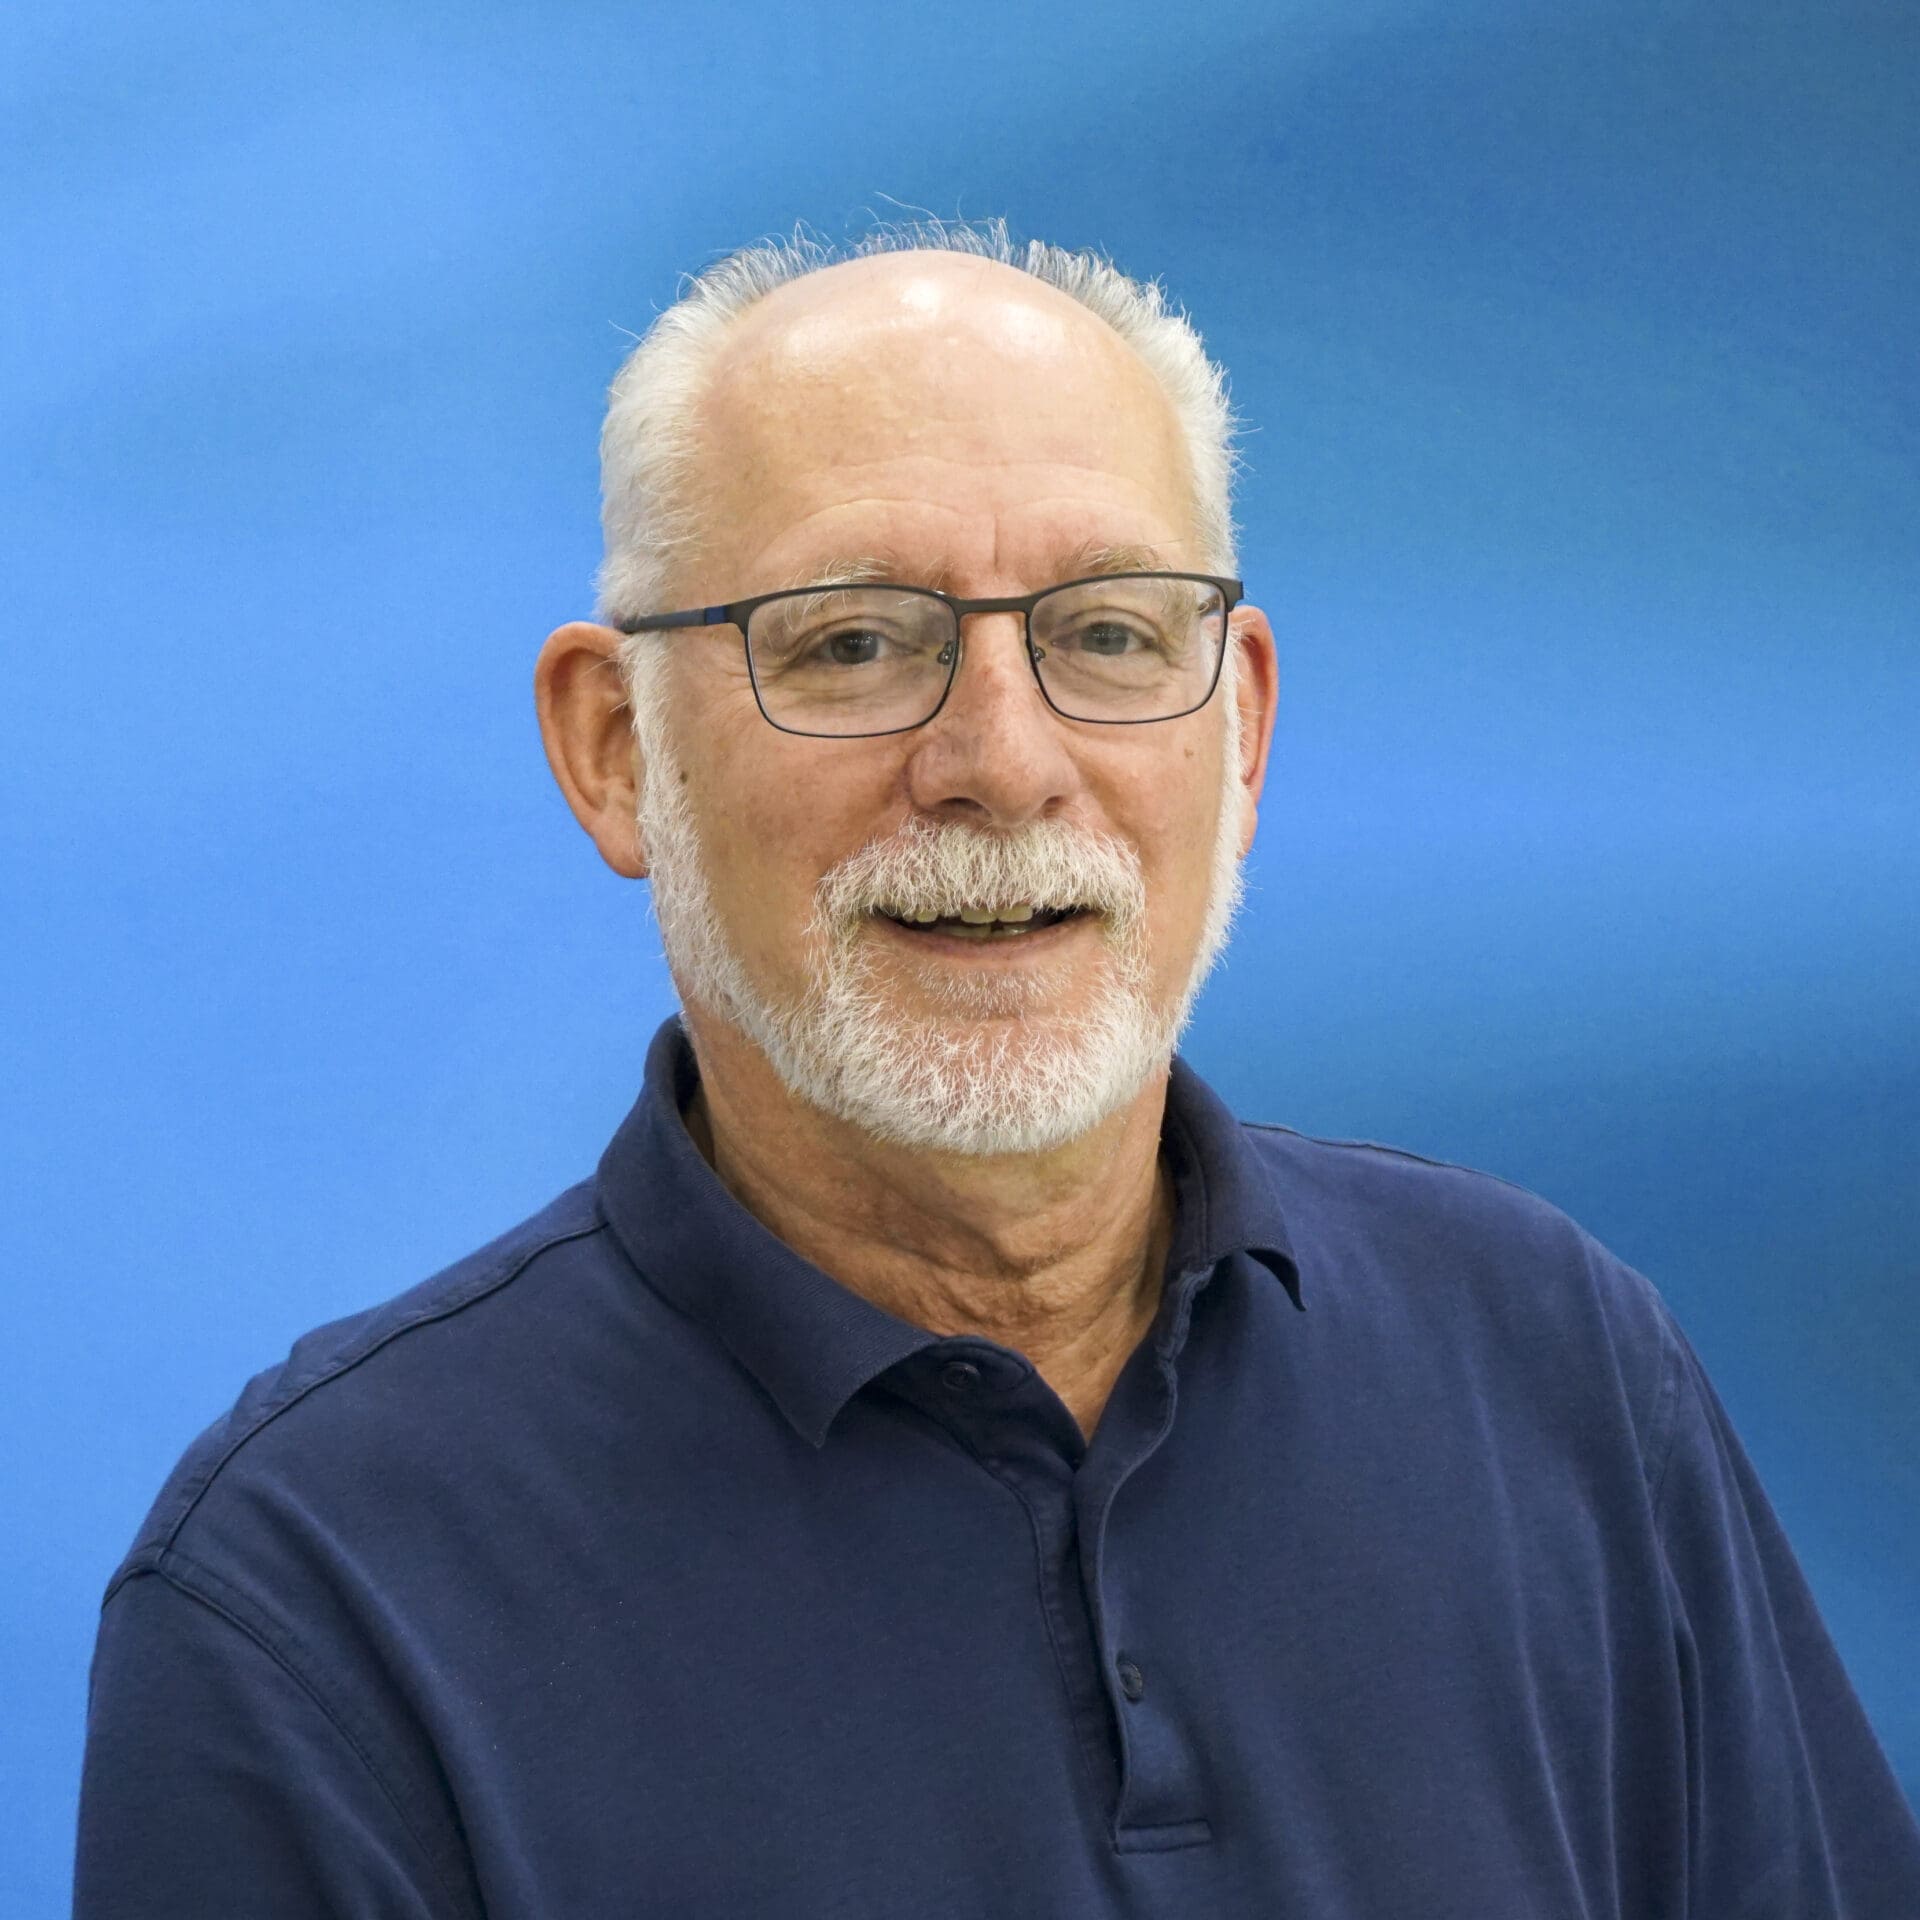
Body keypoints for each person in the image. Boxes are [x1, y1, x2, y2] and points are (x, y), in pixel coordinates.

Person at [75, 221, 1920, 1918]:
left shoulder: (1558, 1371)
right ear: (615, 748)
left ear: (1246, 724)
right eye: (858, 642)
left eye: (1109, 634)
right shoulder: (315, 1593)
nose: (1003, 761)